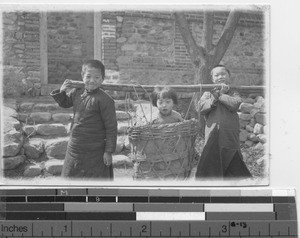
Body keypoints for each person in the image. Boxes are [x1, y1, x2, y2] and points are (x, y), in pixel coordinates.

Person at [50, 59, 117, 179]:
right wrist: (62, 91)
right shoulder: (77, 92)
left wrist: (108, 152)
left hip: (95, 150)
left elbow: (111, 128)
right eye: (89, 76)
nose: (92, 81)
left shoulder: (106, 100)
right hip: (75, 147)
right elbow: (65, 103)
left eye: (97, 77)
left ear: (102, 79)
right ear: (82, 76)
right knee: (71, 178)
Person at [195, 65, 252, 179]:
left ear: (229, 76)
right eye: (217, 75)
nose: (220, 77)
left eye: (223, 74)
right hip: (213, 132)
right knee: (211, 154)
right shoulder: (207, 93)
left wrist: (220, 94)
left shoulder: (233, 92)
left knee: (231, 154)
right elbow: (200, 108)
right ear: (212, 79)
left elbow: (235, 104)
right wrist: (214, 98)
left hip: (229, 132)